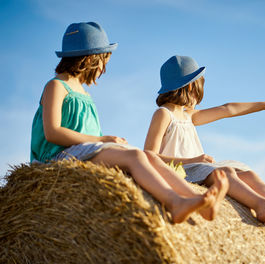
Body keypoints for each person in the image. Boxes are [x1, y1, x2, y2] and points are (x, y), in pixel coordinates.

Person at [30, 23, 228, 224]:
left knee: (147, 157)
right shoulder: (56, 86)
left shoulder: (84, 95)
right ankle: (175, 202)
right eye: (103, 63)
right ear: (90, 59)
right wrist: (102, 139)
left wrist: (106, 143)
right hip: (57, 157)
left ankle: (197, 200)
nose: (103, 70)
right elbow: (52, 132)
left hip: (82, 152)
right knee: (134, 156)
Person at [144, 55, 265, 231]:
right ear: (192, 86)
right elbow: (149, 156)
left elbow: (228, 109)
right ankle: (261, 205)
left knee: (248, 174)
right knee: (226, 172)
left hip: (199, 167)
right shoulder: (163, 114)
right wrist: (193, 159)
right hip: (182, 172)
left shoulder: (188, 115)